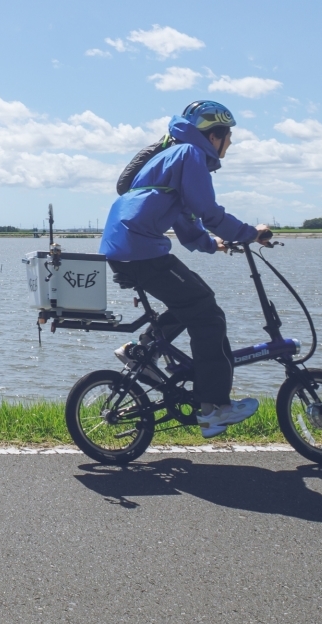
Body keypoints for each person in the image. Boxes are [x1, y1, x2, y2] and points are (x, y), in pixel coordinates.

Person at [99, 100, 273, 438]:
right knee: (208, 315)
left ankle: (140, 351)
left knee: (195, 300)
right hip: (140, 249)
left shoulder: (174, 156)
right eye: (229, 136)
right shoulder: (189, 155)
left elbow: (186, 220)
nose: (231, 144)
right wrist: (251, 233)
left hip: (128, 248)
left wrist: (213, 244)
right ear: (213, 136)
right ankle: (214, 408)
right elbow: (208, 211)